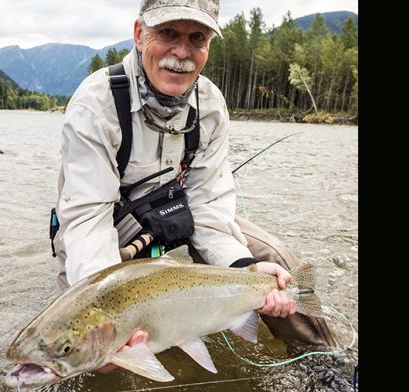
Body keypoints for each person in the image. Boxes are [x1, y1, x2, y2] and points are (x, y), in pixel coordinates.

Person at [52, 0, 336, 371]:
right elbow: (88, 220)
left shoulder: (211, 104)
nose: (181, 53)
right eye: (168, 33)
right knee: (87, 352)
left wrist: (244, 268)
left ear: (208, 48)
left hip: (179, 219)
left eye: (197, 38)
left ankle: (324, 364)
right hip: (109, 231)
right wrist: (110, 319)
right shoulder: (96, 106)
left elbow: (209, 207)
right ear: (140, 34)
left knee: (272, 259)